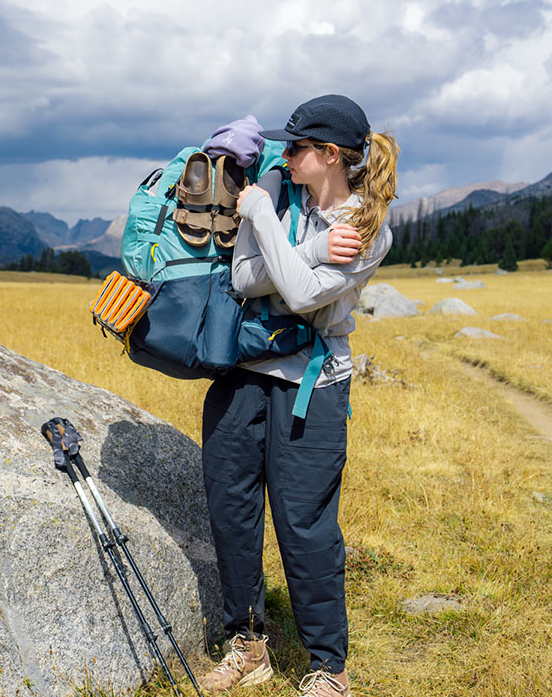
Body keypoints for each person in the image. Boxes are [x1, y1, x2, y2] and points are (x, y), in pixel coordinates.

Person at [197, 95, 398, 697]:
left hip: (313, 383)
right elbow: (244, 278)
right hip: (246, 368)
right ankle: (248, 644)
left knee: (304, 524)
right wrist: (301, 246)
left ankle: (327, 667)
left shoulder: (368, 225)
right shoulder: (285, 199)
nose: (285, 157)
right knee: (231, 507)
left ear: (330, 155)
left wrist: (258, 218)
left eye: (297, 148)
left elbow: (306, 297)